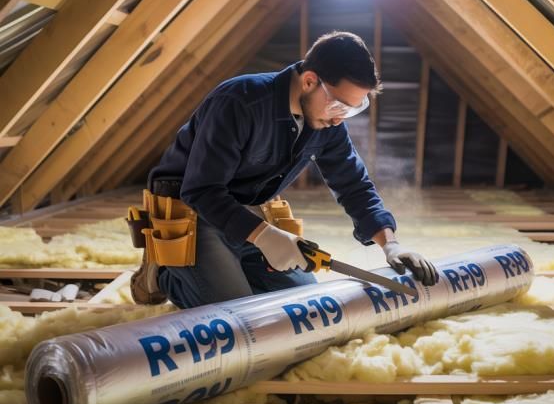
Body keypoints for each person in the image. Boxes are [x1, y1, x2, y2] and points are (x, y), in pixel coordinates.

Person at [132, 31, 438, 308]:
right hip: (193, 210)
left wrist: (391, 245)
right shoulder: (239, 102)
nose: (339, 119)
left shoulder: (326, 123)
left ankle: (229, 268)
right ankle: (161, 273)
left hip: (246, 210)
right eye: (339, 106)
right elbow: (201, 190)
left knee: (302, 305)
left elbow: (354, 185)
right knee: (234, 314)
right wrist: (264, 236)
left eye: (353, 110)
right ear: (309, 81)